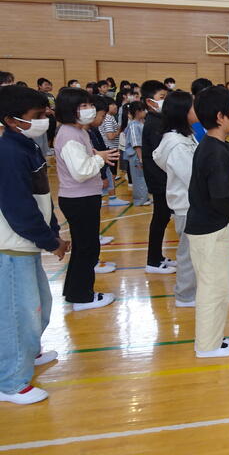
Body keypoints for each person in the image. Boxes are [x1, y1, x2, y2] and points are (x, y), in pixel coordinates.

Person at [0, 85, 69, 405]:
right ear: (12, 121)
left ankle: (29, 352)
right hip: (12, 246)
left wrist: (53, 230)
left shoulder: (27, 146)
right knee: (18, 314)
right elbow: (19, 208)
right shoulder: (8, 153)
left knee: (40, 305)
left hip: (28, 243)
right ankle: (10, 381)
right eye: (37, 115)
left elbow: (42, 196)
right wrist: (49, 241)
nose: (45, 120)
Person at [185, 86, 229, 358]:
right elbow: (218, 198)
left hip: (212, 225)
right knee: (214, 289)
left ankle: (213, 338)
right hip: (209, 230)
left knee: (219, 287)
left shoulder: (215, 146)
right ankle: (207, 346)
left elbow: (222, 192)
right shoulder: (214, 151)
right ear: (220, 116)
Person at [53, 88, 118, 311]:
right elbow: (81, 171)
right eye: (83, 106)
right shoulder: (69, 135)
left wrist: (97, 156)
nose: (89, 109)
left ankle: (75, 291)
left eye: (90, 105)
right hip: (79, 199)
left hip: (84, 197)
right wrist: (100, 158)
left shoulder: (77, 131)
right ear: (69, 109)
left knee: (85, 247)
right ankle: (82, 297)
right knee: (87, 249)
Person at [152, 90, 199, 308]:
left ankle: (191, 291)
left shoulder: (184, 137)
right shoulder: (177, 144)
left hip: (191, 204)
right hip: (186, 206)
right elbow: (192, 177)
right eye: (193, 106)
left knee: (193, 252)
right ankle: (185, 295)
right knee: (188, 254)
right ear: (182, 112)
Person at [141, 79, 176, 274]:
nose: (165, 101)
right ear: (149, 102)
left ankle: (157, 256)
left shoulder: (160, 120)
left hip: (162, 178)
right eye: (162, 97)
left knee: (162, 218)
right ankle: (153, 261)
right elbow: (160, 155)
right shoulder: (154, 123)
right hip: (159, 178)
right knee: (160, 217)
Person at [89, 97, 128, 211]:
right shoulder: (106, 121)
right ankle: (107, 197)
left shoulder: (94, 129)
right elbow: (109, 136)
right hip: (106, 153)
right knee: (109, 175)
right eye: (102, 116)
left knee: (110, 175)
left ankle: (110, 197)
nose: (115, 106)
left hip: (105, 153)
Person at [122, 102, 150, 207]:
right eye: (143, 110)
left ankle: (144, 197)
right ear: (138, 112)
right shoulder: (134, 125)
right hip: (136, 155)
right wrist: (140, 157)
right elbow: (136, 143)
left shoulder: (140, 123)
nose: (145, 112)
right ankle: (140, 200)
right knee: (139, 178)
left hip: (140, 154)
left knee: (143, 177)